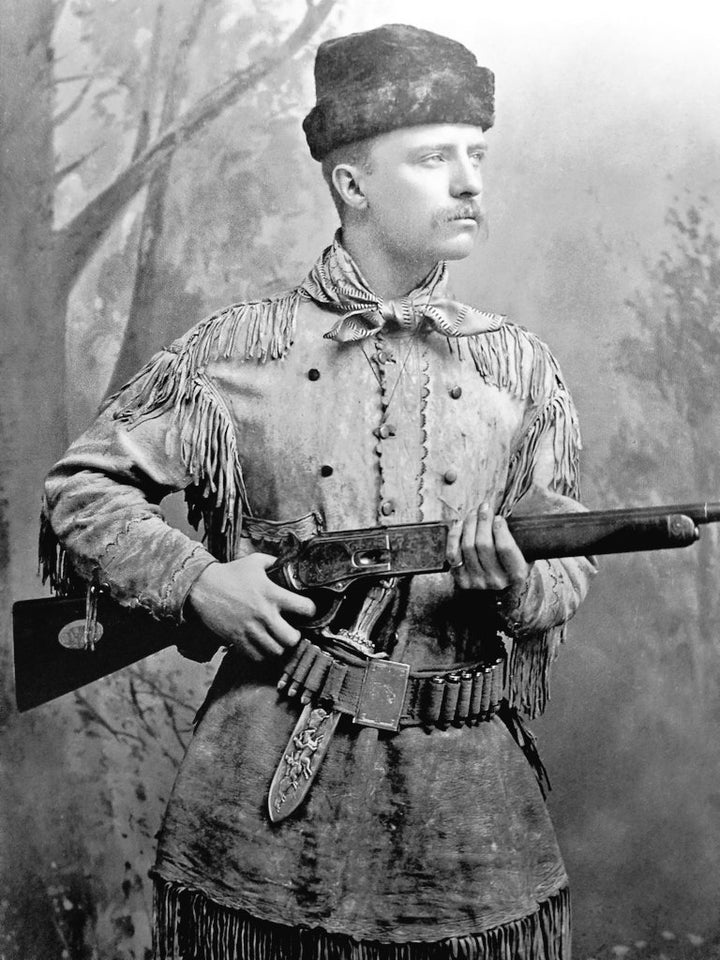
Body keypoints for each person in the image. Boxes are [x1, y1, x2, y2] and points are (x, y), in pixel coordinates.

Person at [42, 23, 596, 960]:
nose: (470, 182)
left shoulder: (519, 369)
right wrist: (199, 584)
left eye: (477, 155)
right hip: (260, 817)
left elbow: (567, 562)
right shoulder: (237, 350)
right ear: (352, 183)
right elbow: (82, 492)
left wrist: (517, 585)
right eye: (432, 158)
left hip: (472, 826)